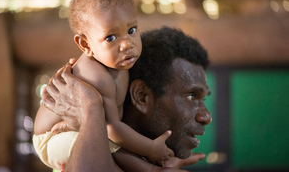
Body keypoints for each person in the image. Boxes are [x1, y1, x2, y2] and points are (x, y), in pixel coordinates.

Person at [33, 0, 173, 170]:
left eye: (131, 30)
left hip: (82, 129)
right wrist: (150, 148)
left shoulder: (118, 64)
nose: (127, 44)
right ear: (86, 45)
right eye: (111, 37)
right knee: (106, 146)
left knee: (109, 143)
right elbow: (111, 128)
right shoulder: (98, 77)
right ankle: (151, 169)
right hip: (51, 139)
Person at [42, 26, 212, 171]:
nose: (206, 116)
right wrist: (91, 107)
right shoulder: (76, 147)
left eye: (203, 99)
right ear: (142, 96)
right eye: (191, 96)